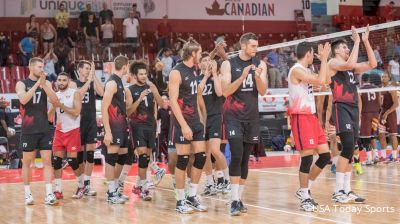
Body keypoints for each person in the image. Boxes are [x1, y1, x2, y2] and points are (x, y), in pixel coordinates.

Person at [220, 32, 267, 215]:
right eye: (253, 46)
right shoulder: (228, 64)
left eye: (257, 45)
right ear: (244, 46)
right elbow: (225, 91)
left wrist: (256, 77)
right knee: (237, 155)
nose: (256, 49)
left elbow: (263, 91)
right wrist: (242, 77)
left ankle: (239, 199)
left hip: (252, 117)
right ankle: (233, 200)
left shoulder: (260, 64)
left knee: (245, 159)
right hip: (233, 117)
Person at [328, 26, 377, 204]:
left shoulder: (350, 68)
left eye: (348, 47)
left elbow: (373, 64)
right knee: (347, 146)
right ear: (336, 51)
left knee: (351, 150)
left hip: (353, 109)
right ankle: (338, 190)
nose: (347, 49)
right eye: (344, 47)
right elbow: (348, 64)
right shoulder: (333, 63)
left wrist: (365, 41)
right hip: (341, 108)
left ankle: (347, 190)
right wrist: (356, 41)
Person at [288, 42, 331, 212]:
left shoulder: (306, 71)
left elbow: (325, 80)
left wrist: (324, 61)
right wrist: (325, 59)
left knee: (325, 156)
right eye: (313, 54)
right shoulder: (297, 70)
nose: (314, 56)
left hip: (311, 117)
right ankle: (305, 197)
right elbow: (321, 80)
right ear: (308, 54)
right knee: (306, 158)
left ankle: (304, 190)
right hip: (301, 117)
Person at [169, 41, 208, 213]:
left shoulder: (195, 69)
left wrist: (200, 120)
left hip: (195, 121)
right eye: (200, 53)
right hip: (182, 122)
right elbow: (173, 101)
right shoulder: (176, 72)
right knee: (183, 160)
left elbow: (194, 94)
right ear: (193, 54)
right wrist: (184, 125)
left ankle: (192, 196)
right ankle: (180, 200)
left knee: (200, 157)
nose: (201, 56)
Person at [15, 57, 58, 205]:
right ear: (31, 67)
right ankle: (27, 194)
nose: (42, 69)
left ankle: (49, 193)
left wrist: (45, 85)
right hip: (29, 129)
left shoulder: (46, 83)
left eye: (43, 67)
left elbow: (55, 101)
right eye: (39, 67)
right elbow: (23, 100)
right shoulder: (22, 83)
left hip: (45, 128)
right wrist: (36, 85)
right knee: (27, 163)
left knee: (47, 161)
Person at [127, 61, 165, 201]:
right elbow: (128, 111)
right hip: (138, 126)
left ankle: (138, 186)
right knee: (143, 157)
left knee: (146, 158)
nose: (143, 76)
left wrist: (155, 92)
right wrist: (139, 98)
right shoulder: (130, 89)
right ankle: (144, 189)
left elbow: (162, 105)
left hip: (151, 126)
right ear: (135, 75)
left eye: (145, 74)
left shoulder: (151, 87)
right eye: (141, 74)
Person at [69, 60, 104, 196]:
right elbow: (78, 96)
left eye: (90, 68)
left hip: (90, 121)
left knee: (90, 153)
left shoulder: (92, 82)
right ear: (79, 70)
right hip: (77, 122)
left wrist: (93, 76)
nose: (89, 70)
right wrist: (89, 81)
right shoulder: (73, 84)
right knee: (78, 155)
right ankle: (81, 183)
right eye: (87, 68)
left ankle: (87, 184)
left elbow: (101, 92)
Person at [198, 52, 230, 196]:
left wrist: (215, 74)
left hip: (215, 117)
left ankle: (226, 180)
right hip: (201, 119)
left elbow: (219, 93)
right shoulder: (198, 79)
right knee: (205, 154)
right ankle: (209, 183)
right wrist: (205, 76)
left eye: (209, 60)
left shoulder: (217, 78)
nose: (207, 62)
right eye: (204, 60)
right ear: (199, 64)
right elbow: (197, 93)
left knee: (216, 150)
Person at [48, 72, 83, 200]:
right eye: (59, 80)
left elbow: (76, 112)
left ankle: (81, 185)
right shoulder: (55, 96)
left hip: (72, 130)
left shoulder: (75, 93)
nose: (61, 82)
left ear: (68, 81)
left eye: (64, 80)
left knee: (73, 161)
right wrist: (53, 105)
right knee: (56, 161)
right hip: (59, 130)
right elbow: (49, 117)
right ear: (56, 81)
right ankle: (58, 189)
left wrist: (61, 105)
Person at [102, 55, 130, 204]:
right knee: (112, 157)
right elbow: (103, 107)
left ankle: (114, 188)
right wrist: (107, 131)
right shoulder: (112, 82)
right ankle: (111, 192)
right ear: (125, 67)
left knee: (123, 155)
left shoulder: (120, 82)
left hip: (122, 124)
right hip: (113, 125)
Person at [359, 74, 380, 166]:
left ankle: (369, 158)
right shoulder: (376, 88)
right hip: (375, 113)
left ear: (362, 80)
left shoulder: (360, 89)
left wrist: (359, 114)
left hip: (365, 114)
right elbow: (379, 102)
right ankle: (376, 156)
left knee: (366, 137)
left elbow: (359, 103)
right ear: (369, 79)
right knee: (373, 135)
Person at [378, 71, 399, 163]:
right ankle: (383, 156)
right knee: (381, 135)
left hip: (390, 114)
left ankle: (394, 157)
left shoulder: (391, 88)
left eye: (385, 76)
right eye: (382, 77)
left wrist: (387, 113)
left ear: (389, 78)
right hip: (382, 114)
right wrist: (381, 113)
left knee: (393, 135)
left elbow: (396, 104)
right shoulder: (380, 88)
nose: (383, 78)